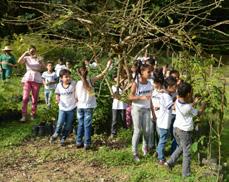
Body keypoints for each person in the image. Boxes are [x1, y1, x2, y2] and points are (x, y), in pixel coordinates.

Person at [164, 82, 205, 177]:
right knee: (187, 153)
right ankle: (186, 174)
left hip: (176, 128)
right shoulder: (188, 107)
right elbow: (198, 113)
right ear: (188, 94)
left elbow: (189, 105)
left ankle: (170, 162)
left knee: (182, 146)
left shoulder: (178, 100)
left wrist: (194, 102)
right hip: (184, 131)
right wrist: (203, 104)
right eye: (191, 92)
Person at [75, 60, 112, 150]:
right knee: (87, 125)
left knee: (80, 124)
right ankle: (87, 143)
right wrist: (108, 66)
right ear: (87, 72)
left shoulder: (77, 83)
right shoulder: (90, 81)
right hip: (88, 107)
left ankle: (79, 142)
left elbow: (75, 97)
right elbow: (102, 75)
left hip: (80, 107)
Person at [129, 62, 154, 161]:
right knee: (137, 131)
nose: (150, 73)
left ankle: (145, 148)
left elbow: (151, 99)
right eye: (148, 72)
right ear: (142, 72)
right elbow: (130, 97)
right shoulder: (136, 83)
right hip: (137, 109)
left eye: (151, 72)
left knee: (147, 131)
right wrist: (141, 97)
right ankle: (134, 153)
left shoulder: (150, 84)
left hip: (147, 109)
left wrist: (153, 112)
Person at [50, 69, 77, 146]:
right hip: (62, 108)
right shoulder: (59, 85)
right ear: (61, 78)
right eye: (66, 77)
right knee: (60, 123)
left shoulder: (73, 83)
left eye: (69, 76)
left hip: (71, 108)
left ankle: (63, 138)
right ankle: (55, 135)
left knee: (68, 125)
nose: (68, 78)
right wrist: (57, 99)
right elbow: (57, 94)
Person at [18, 45, 45, 122]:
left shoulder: (39, 58)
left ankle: (33, 114)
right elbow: (19, 61)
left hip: (37, 78)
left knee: (35, 98)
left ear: (36, 51)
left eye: (33, 51)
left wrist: (41, 61)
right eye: (31, 51)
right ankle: (23, 115)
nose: (32, 52)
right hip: (27, 78)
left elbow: (44, 68)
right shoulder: (26, 58)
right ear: (29, 51)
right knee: (25, 98)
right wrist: (25, 53)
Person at [156, 76, 177, 164]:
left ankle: (159, 153)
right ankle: (160, 157)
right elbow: (172, 107)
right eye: (174, 86)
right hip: (164, 123)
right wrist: (179, 99)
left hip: (163, 122)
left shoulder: (166, 95)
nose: (176, 88)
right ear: (169, 87)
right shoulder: (167, 97)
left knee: (163, 139)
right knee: (163, 140)